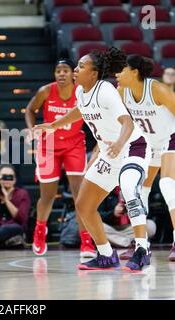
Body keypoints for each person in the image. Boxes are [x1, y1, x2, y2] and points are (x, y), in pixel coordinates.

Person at [35, 47, 151, 271]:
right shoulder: (81, 92)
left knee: (128, 188)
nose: (75, 70)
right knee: (84, 205)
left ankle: (142, 249)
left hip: (132, 147)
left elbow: (127, 122)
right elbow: (79, 111)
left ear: (94, 73)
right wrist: (53, 125)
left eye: (81, 66)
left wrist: (118, 144)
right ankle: (106, 255)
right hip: (111, 152)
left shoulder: (105, 90)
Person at [25, 59, 95, 258]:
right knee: (47, 195)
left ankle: (86, 241)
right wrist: (32, 131)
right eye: (58, 71)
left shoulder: (82, 92)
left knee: (79, 196)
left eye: (65, 70)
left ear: (73, 73)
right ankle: (40, 231)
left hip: (74, 145)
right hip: (49, 146)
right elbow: (30, 109)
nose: (61, 74)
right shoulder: (46, 91)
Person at [116, 54, 175, 261]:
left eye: (121, 69)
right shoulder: (122, 91)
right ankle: (141, 243)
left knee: (168, 185)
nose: (117, 74)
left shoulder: (157, 90)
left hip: (170, 138)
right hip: (149, 143)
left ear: (134, 72)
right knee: (140, 191)